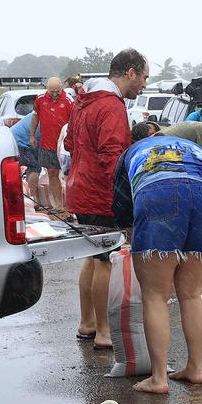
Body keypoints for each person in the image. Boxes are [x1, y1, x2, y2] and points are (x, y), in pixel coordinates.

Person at [111, 125, 202, 394]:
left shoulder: (132, 152)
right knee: (192, 294)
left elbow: (121, 203)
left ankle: (159, 377)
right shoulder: (194, 149)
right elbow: (199, 179)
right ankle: (195, 369)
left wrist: (129, 230)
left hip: (157, 197)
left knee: (155, 295)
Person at [66, 48, 149, 349]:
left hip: (79, 188)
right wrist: (129, 191)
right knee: (105, 260)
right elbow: (112, 155)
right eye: (144, 78)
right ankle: (103, 331)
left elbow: (69, 142)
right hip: (100, 193)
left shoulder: (82, 101)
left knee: (93, 256)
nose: (144, 86)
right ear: (130, 73)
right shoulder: (111, 105)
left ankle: (87, 322)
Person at [32, 77, 73, 213]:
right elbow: (35, 117)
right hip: (47, 144)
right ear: (47, 89)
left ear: (61, 88)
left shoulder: (69, 100)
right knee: (52, 173)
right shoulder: (40, 99)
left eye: (57, 91)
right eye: (52, 92)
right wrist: (32, 135)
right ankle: (58, 205)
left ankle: (71, 206)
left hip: (65, 146)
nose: (55, 94)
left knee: (69, 175)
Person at [9, 111, 43, 200]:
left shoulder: (39, 112)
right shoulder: (43, 118)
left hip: (13, 139)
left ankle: (28, 196)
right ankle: (32, 198)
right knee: (35, 167)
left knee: (32, 166)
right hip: (19, 142)